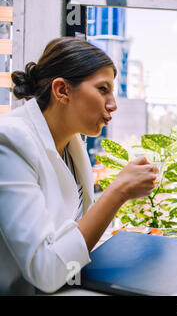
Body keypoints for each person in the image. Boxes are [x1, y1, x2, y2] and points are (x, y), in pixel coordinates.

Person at [0, 37, 158, 295]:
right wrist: (118, 192)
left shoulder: (74, 144)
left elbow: (78, 236)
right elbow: (46, 271)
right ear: (62, 90)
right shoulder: (10, 141)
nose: (113, 104)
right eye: (103, 89)